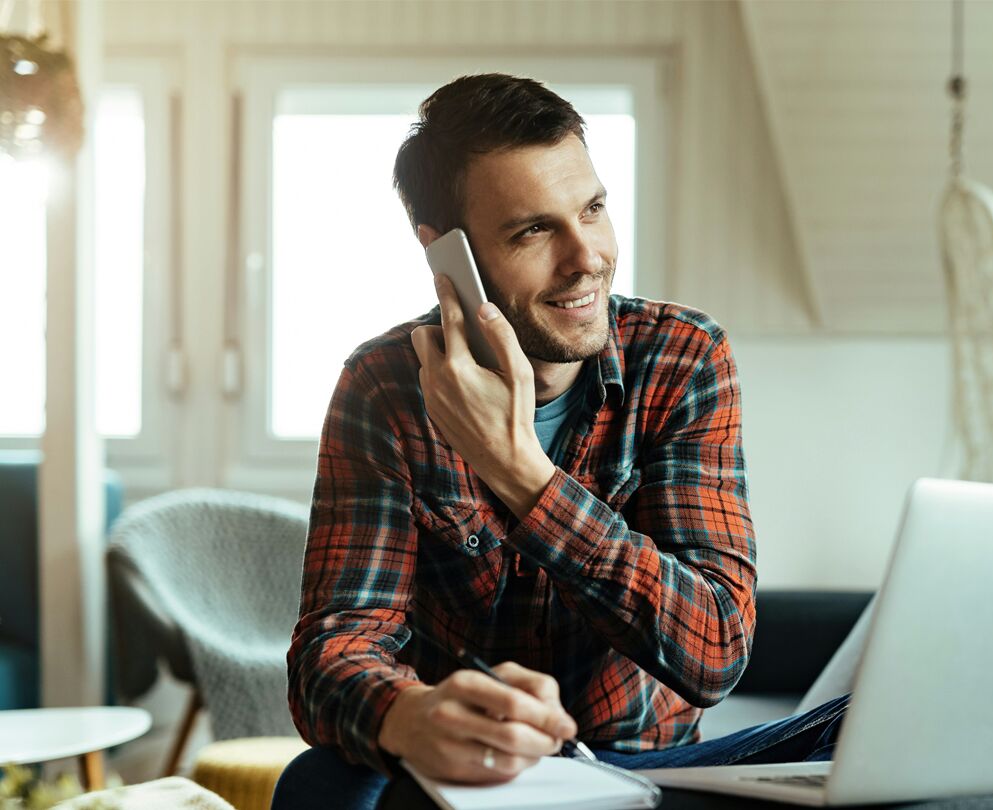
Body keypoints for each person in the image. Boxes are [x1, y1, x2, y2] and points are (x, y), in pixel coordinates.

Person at [273, 73, 849, 810]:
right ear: (446, 255)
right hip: (471, 766)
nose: (588, 258)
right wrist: (407, 714)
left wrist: (520, 472)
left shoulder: (682, 357)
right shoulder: (384, 387)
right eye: (534, 230)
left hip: (653, 766)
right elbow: (332, 652)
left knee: (850, 734)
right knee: (316, 784)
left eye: (594, 209)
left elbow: (715, 652)